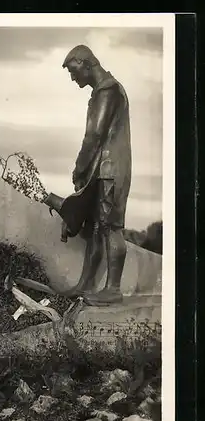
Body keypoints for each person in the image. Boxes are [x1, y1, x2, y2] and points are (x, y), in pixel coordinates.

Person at [62, 45, 132, 305]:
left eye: (73, 71)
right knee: (94, 228)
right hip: (100, 169)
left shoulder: (108, 90)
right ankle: (86, 284)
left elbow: (95, 135)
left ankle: (112, 288)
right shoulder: (104, 91)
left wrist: (79, 167)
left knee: (110, 227)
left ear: (85, 62)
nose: (72, 78)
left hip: (110, 170)